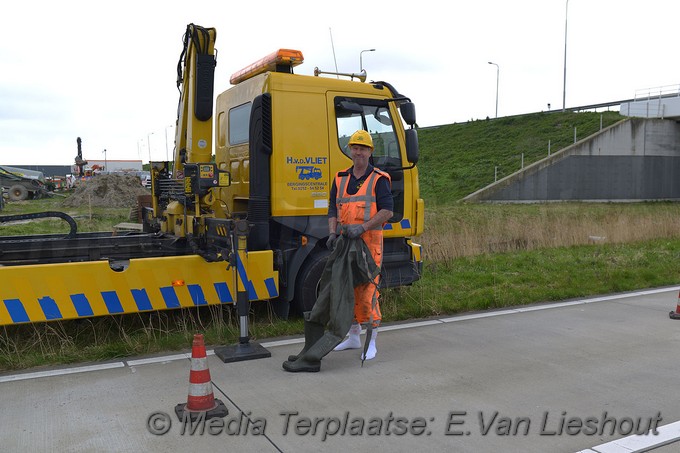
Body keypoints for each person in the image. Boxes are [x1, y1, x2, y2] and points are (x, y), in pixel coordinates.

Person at [327, 129, 393, 360]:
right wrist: (332, 233)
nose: (358, 152)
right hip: (346, 244)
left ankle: (371, 341)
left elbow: (387, 210)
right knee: (348, 290)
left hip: (369, 245)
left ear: (370, 151)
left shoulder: (379, 179)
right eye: (355, 147)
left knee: (367, 293)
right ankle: (353, 337)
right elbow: (333, 208)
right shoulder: (340, 178)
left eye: (363, 148)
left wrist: (363, 228)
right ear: (350, 150)